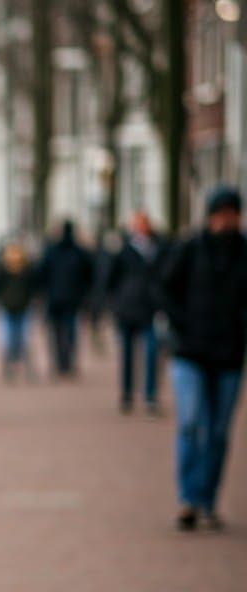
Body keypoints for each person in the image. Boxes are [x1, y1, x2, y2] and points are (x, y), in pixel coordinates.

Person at [159, 184, 247, 530]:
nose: (227, 220)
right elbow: (164, 287)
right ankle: (188, 499)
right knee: (192, 422)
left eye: (232, 213)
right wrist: (180, 324)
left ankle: (208, 499)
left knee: (220, 432)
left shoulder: (243, 253)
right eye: (221, 213)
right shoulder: (190, 249)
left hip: (228, 355)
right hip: (190, 352)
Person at [107, 210, 166, 414]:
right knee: (128, 355)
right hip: (127, 308)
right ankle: (127, 393)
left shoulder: (159, 247)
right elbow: (110, 278)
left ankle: (150, 396)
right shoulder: (123, 250)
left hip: (150, 308)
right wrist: (114, 302)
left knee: (151, 352)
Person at [38, 219, 93, 377]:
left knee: (57, 333)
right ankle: (67, 362)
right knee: (70, 331)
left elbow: (42, 274)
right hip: (71, 299)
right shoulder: (79, 252)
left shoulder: (51, 251)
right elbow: (89, 275)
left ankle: (60, 362)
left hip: (56, 298)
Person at [0, 240, 37, 382]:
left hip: (20, 307)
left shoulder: (26, 270)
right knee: (11, 339)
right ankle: (12, 367)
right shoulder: (2, 270)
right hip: (9, 307)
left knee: (21, 339)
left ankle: (23, 367)